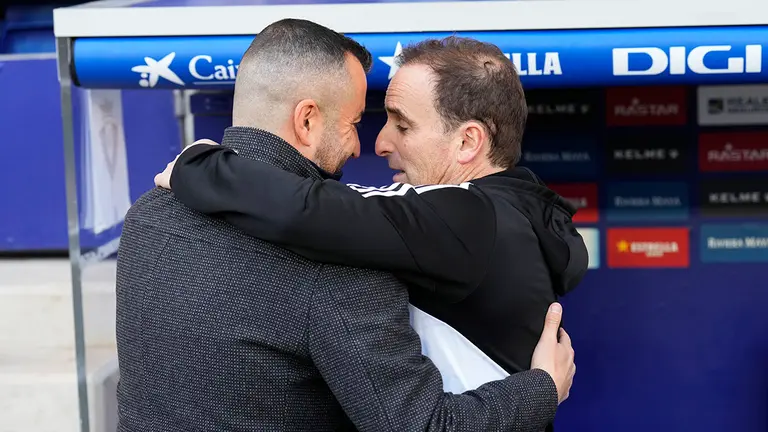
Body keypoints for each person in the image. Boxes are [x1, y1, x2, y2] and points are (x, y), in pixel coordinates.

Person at [117, 18, 574, 432]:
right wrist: (541, 390)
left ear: (469, 141)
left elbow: (315, 207)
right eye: (359, 121)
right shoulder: (342, 265)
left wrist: (198, 166)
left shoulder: (147, 215)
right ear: (307, 120)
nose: (369, 144)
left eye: (402, 124)